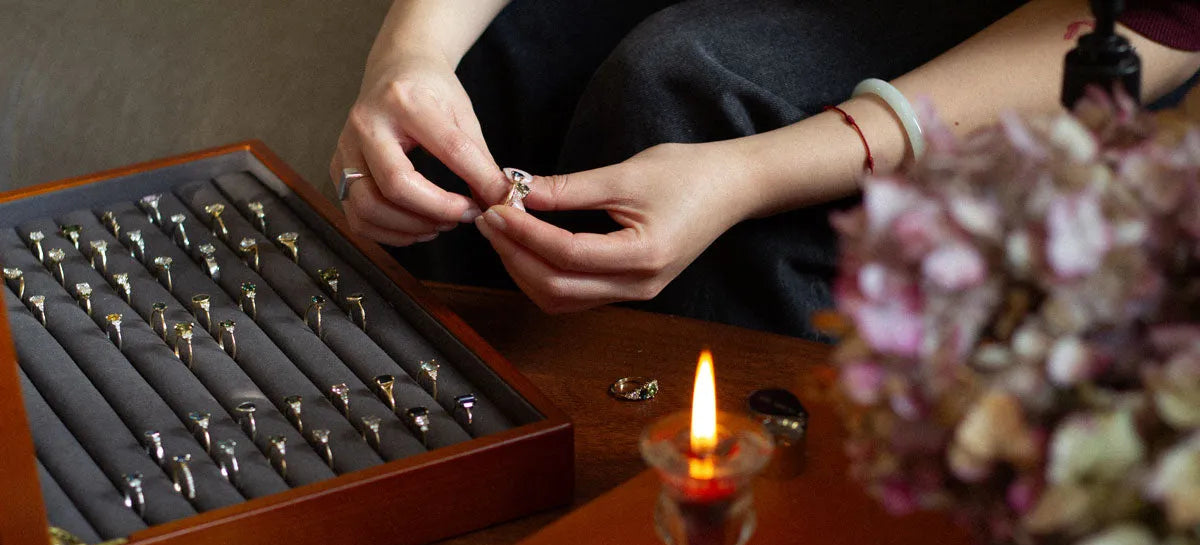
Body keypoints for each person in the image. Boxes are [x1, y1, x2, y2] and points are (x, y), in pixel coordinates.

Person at [331, 0, 1200, 339]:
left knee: (686, 88)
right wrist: (409, 57)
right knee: (503, 58)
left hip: (1051, 30)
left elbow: (1155, 26)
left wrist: (750, 173)